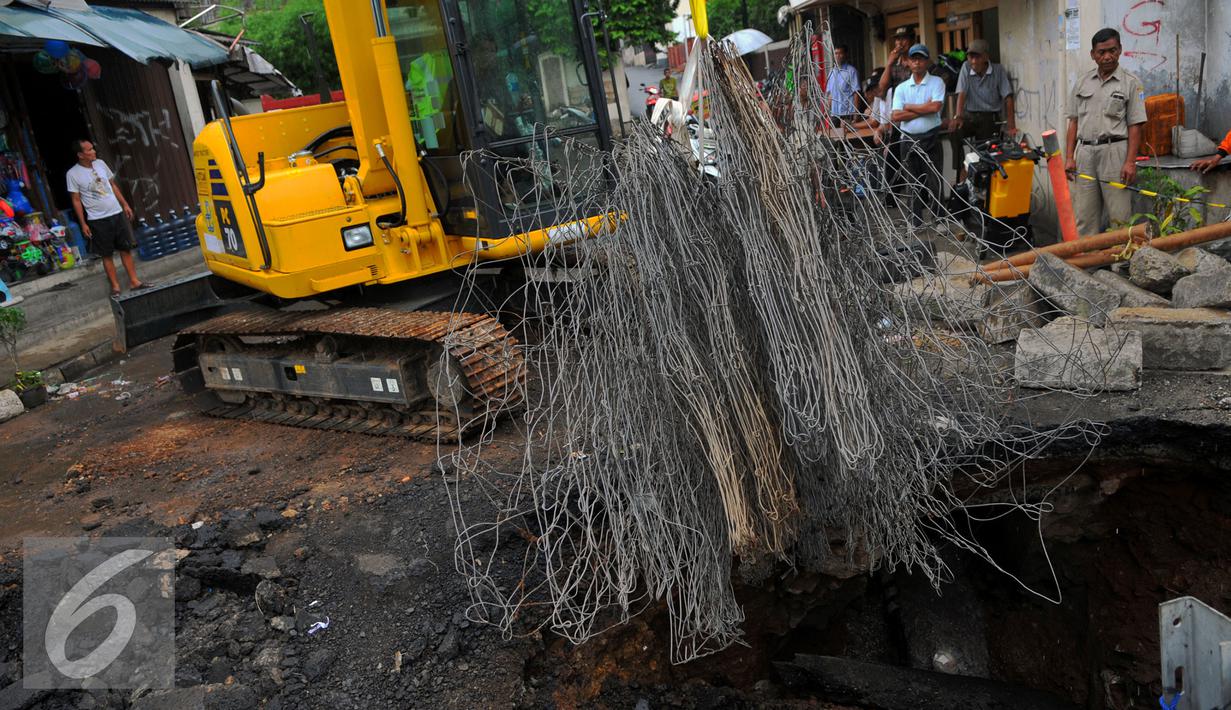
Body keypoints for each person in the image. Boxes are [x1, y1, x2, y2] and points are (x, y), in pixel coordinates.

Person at [1064, 27, 1146, 236]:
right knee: (1084, 216)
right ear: (1093, 55)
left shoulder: (1131, 83)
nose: (1108, 56)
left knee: (1119, 215)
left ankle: (1120, 266)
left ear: (1120, 50)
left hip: (1115, 153)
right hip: (1085, 154)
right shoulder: (1082, 82)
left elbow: (1135, 125)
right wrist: (1069, 157)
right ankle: (1087, 265)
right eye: (1102, 52)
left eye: (1113, 50)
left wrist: (1130, 161)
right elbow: (1073, 121)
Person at [66, 140, 147, 297]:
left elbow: (113, 186)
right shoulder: (72, 174)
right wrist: (83, 223)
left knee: (125, 249)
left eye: (93, 148)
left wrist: (125, 205)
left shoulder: (101, 164)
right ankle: (115, 287)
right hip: (97, 219)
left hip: (116, 213)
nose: (94, 151)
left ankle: (134, 281)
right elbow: (76, 200)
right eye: (90, 150)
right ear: (80, 155)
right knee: (106, 254)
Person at [891, 43, 946, 228]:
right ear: (908, 62)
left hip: (930, 138)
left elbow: (936, 107)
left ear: (927, 61)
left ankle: (939, 220)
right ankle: (915, 222)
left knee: (934, 181)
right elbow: (896, 116)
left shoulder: (937, 82)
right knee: (912, 182)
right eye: (914, 58)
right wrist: (924, 109)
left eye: (921, 58)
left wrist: (909, 107)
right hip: (907, 139)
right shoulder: (902, 88)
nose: (917, 62)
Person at [952, 38, 1015, 178]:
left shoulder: (998, 70)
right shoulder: (966, 67)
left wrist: (1011, 126)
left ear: (986, 57)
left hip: (989, 118)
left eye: (977, 56)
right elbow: (961, 93)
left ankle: (982, 183)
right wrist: (958, 116)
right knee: (954, 130)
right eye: (970, 56)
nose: (973, 61)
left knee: (984, 153)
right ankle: (961, 167)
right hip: (970, 116)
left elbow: (1008, 98)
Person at [826, 44, 860, 122]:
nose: (838, 56)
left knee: (848, 134)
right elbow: (830, 94)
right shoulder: (831, 72)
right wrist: (827, 111)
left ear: (845, 55)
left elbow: (856, 93)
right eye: (836, 53)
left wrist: (856, 113)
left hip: (847, 113)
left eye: (840, 53)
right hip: (834, 114)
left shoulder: (851, 71)